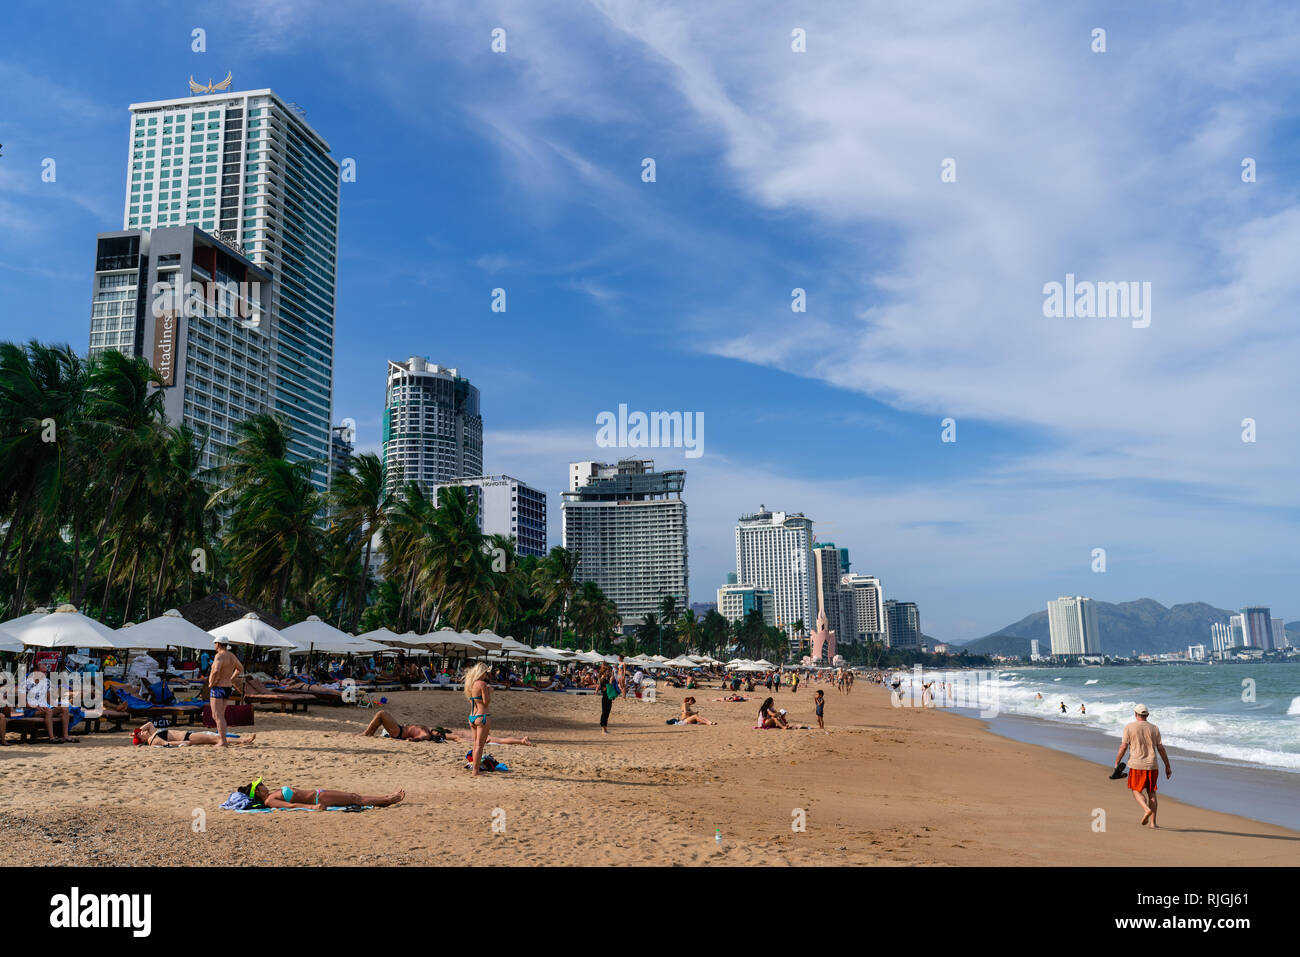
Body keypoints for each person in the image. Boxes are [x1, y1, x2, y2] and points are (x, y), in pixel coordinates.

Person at [1115, 704, 1172, 828]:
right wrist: (1167, 765)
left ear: (1135, 714)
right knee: (1152, 793)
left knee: (1136, 790)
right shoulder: (1154, 728)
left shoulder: (1129, 727)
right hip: (1152, 765)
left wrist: (1117, 762)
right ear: (1147, 715)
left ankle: (1146, 809)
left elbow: (1123, 746)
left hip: (1137, 765)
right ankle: (1153, 823)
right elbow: (1161, 748)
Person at [361, 709, 532, 745]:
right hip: (399, 730)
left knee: (381, 713)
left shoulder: (427, 733)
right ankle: (367, 733)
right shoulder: (429, 731)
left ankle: (366, 734)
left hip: (398, 732)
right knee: (381, 715)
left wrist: (413, 739)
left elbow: (421, 738)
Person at [239, 776, 405, 810]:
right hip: (318, 798)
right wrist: (312, 808)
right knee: (355, 798)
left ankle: (386, 798)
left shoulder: (271, 795)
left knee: (354, 796)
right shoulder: (269, 801)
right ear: (258, 792)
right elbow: (291, 805)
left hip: (319, 793)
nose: (263, 784)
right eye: (260, 785)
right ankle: (388, 799)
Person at [23, 663, 76, 742]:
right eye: (43, 672)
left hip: (44, 708)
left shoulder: (46, 682)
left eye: (46, 672)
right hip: (31, 710)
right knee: (48, 711)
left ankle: (65, 735)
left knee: (64, 708)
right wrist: (35, 706)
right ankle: (52, 737)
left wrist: (56, 705)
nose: (45, 674)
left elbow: (49, 700)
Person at [207, 639, 244, 748]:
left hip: (218, 687)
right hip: (227, 687)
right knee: (220, 715)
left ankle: (223, 741)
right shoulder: (231, 655)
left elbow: (216, 670)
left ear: (218, 644)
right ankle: (222, 738)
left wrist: (211, 682)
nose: (214, 645)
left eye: (214, 643)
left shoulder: (219, 656)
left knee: (217, 716)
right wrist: (231, 679)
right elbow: (240, 668)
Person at [133, 720, 255, 747]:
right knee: (215, 738)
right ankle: (242, 740)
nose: (142, 732)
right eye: (140, 734)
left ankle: (242, 740)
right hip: (187, 737)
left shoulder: (153, 733)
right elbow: (168, 743)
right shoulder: (153, 740)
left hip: (187, 735)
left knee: (214, 738)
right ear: (143, 740)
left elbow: (148, 724)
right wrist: (183, 742)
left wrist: (134, 732)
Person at [464, 662, 492, 776]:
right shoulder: (482, 684)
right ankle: (475, 771)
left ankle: (475, 769)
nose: (487, 675)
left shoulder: (470, 684)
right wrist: (490, 692)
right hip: (482, 716)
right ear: (482, 673)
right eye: (486, 673)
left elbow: (473, 700)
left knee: (476, 744)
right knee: (480, 745)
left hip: (472, 716)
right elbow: (486, 702)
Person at [597, 664, 616, 735]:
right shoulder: (602, 680)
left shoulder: (606, 679)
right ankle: (603, 729)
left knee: (607, 713)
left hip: (608, 698)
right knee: (604, 713)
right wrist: (610, 682)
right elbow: (605, 689)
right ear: (604, 672)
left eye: (609, 672)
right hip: (605, 698)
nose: (608, 673)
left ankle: (605, 729)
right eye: (607, 672)